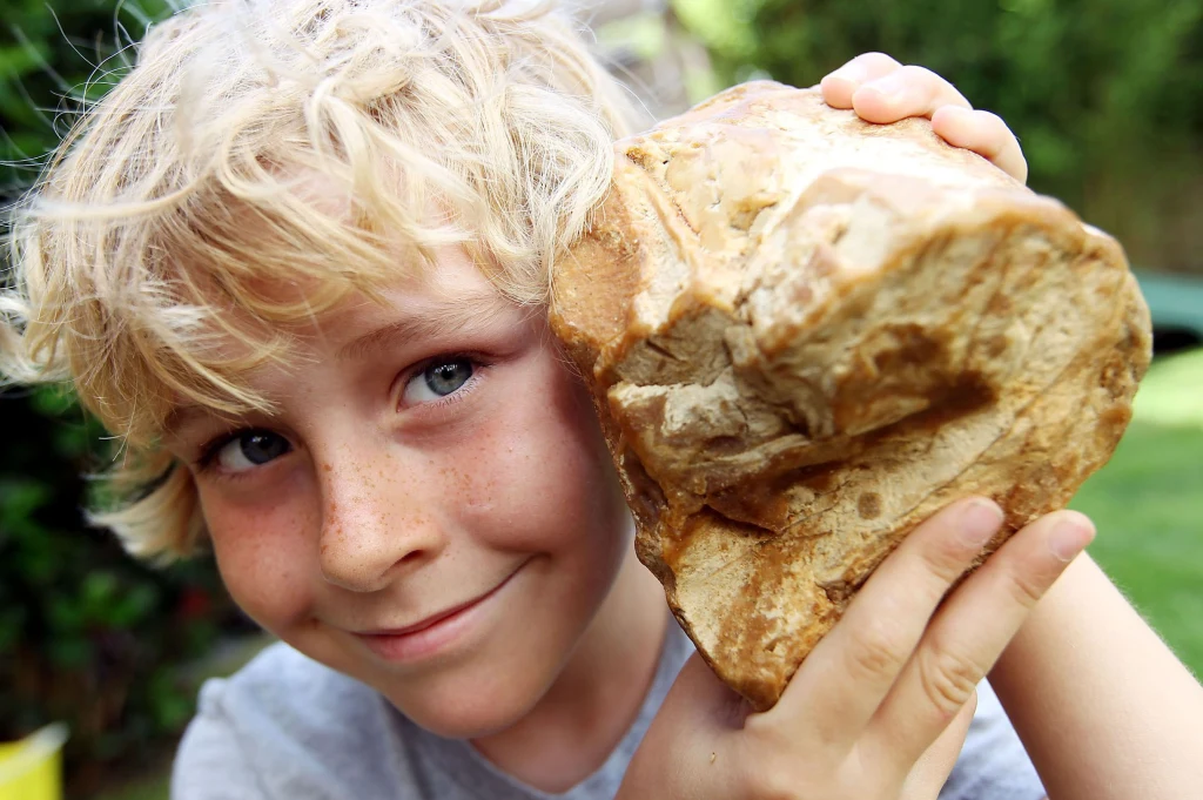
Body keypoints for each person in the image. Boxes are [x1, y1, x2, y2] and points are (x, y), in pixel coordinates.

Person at [1, 1, 1199, 798]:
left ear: (624, 346)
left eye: (441, 373)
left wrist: (953, 399)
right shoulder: (268, 763)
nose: (362, 542)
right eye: (249, 441)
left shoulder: (861, 662)